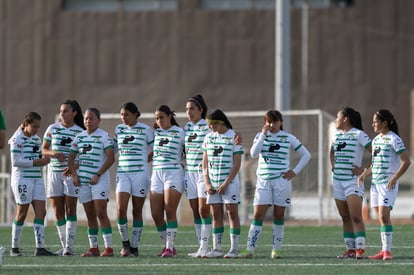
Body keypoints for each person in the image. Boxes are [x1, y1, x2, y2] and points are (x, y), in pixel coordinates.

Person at [239, 110, 311, 259]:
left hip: (282, 181)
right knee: (258, 215)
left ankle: (276, 250)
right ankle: (250, 249)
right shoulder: (260, 136)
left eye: (274, 121)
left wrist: (295, 171)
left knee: (279, 215)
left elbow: (306, 155)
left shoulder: (288, 138)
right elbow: (253, 154)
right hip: (263, 181)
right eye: (268, 122)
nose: (271, 125)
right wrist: (263, 135)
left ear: (281, 122)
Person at [358, 109, 411, 261]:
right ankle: (383, 250)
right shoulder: (375, 141)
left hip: (388, 184)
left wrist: (395, 177)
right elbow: (374, 165)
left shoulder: (394, 139)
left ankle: (387, 252)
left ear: (385, 123)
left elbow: (406, 161)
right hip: (375, 184)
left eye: (375, 121)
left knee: (384, 215)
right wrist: (364, 174)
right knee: (380, 218)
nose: (373, 124)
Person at [68, 108, 115, 257]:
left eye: (91, 118)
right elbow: (71, 158)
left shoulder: (104, 137)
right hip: (83, 181)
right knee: (89, 215)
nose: (88, 121)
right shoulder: (79, 137)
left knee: (101, 212)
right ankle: (93, 248)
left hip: (99, 180)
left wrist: (97, 174)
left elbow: (110, 158)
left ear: (98, 120)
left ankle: (109, 248)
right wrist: (75, 176)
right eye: (86, 118)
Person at [42, 100, 85, 256]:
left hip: (70, 175)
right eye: (61, 111)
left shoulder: (80, 132)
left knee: (70, 209)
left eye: (65, 111)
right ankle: (64, 245)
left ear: (74, 113)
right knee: (57, 211)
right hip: (53, 173)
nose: (62, 113)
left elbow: (85, 155)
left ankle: (69, 246)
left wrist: (74, 167)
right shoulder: (53, 128)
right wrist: (54, 154)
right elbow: (44, 149)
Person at [8, 112, 54, 256]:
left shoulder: (36, 139)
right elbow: (15, 162)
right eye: (34, 126)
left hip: (37, 179)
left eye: (38, 127)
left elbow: (38, 158)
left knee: (42, 212)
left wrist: (45, 160)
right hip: (22, 179)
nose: (36, 129)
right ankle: (14, 248)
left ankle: (40, 248)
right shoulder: (17, 139)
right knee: (22, 213)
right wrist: (36, 162)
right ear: (26, 124)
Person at [330, 107, 372, 260]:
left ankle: (360, 250)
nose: (336, 120)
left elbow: (377, 152)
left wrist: (364, 170)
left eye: (337, 117)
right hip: (338, 181)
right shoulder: (336, 136)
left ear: (345, 119)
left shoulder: (359, 134)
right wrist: (333, 165)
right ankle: (350, 250)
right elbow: (332, 152)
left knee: (355, 216)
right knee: (345, 217)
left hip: (353, 181)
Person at [114, 102, 154, 257]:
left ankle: (135, 247)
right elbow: (114, 149)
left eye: (126, 115)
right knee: (120, 209)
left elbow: (155, 150)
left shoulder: (146, 130)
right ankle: (125, 244)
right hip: (123, 173)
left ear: (135, 114)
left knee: (137, 210)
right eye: (121, 115)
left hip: (140, 174)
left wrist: (145, 161)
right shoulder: (119, 129)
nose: (123, 118)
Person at [202, 109, 244, 258]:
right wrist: (207, 183)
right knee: (216, 215)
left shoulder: (234, 137)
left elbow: (237, 164)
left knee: (232, 213)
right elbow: (204, 163)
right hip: (212, 184)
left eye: (212, 124)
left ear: (220, 122)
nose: (210, 127)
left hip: (229, 183)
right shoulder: (208, 138)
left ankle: (233, 249)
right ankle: (217, 249)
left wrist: (226, 183)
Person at [150, 105, 185, 257]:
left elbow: (192, 148)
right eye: (156, 118)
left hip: (173, 172)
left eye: (161, 117)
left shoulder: (180, 132)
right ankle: (167, 245)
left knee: (169, 210)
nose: (159, 121)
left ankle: (169, 248)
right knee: (156, 214)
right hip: (156, 173)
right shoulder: (155, 133)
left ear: (169, 116)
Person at [183, 95, 213, 258]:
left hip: (204, 174)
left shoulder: (207, 126)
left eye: (192, 109)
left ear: (201, 110)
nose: (189, 112)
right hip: (189, 174)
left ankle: (206, 246)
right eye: (187, 109)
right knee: (195, 210)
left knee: (204, 210)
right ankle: (200, 246)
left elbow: (221, 136)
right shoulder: (186, 127)